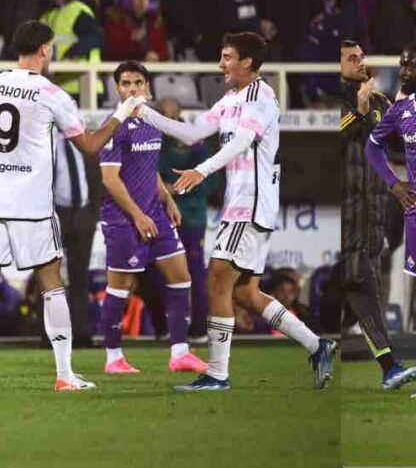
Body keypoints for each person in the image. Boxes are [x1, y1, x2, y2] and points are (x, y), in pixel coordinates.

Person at [0, 20, 146, 393]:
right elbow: (89, 146)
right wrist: (122, 113)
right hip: (32, 205)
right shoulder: (52, 94)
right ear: (43, 50)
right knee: (53, 283)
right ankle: (64, 374)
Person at [136, 32, 336, 391]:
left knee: (216, 281)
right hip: (240, 206)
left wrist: (202, 170)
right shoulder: (231, 98)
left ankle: (217, 374)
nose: (220, 64)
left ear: (247, 62)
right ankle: (317, 344)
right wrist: (144, 112)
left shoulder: (263, 97)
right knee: (246, 294)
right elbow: (191, 133)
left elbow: (244, 140)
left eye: (227, 57)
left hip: (252, 206)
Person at [97, 61, 207, 375]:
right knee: (120, 288)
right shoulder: (112, 127)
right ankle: (113, 358)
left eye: (138, 83)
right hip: (123, 219)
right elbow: (110, 179)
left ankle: (180, 353)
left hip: (155, 213)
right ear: (118, 89)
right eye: (126, 84)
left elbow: (148, 168)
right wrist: (137, 215)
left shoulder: (152, 122)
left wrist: (167, 198)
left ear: (148, 87)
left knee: (181, 277)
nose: (133, 89)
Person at [362, 42, 416, 389]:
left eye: (412, 63)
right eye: (403, 63)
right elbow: (372, 145)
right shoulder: (401, 110)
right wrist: (394, 184)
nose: (405, 68)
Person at [156, 97, 213, 336]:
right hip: (162, 217)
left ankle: (199, 328)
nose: (168, 121)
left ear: (180, 115)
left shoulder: (195, 143)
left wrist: (172, 189)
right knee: (159, 275)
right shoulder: (156, 141)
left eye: (172, 116)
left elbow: (208, 181)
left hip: (191, 218)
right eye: (163, 115)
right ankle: (164, 327)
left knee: (195, 272)